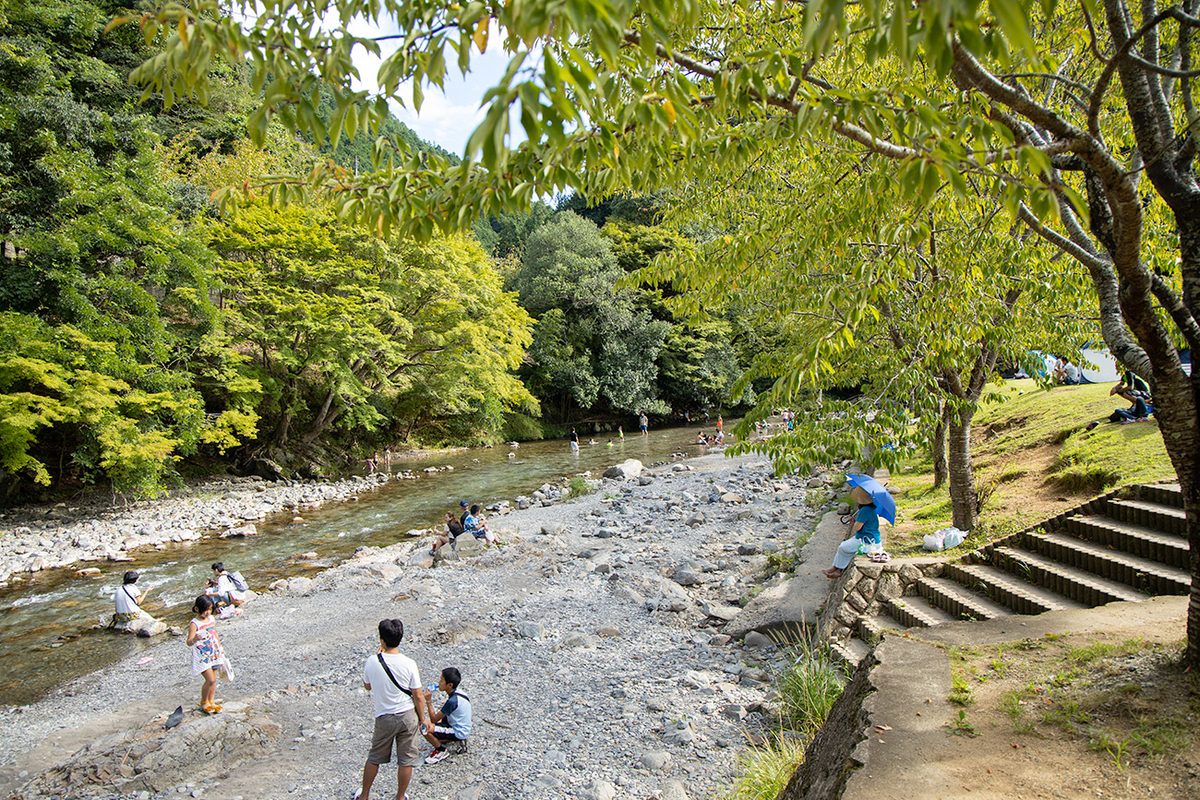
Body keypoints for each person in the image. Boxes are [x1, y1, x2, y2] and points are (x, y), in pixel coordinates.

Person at [359, 619, 430, 800]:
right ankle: (399, 797)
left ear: (382, 640)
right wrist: (423, 719)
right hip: (407, 716)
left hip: (384, 717)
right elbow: (418, 695)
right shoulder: (409, 663)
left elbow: (367, 686)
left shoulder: (372, 661)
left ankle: (365, 795)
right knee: (406, 760)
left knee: (374, 757)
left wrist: (378, 657)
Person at [823, 486, 883, 579]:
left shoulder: (864, 510)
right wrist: (855, 520)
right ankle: (837, 569)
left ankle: (836, 568)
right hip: (870, 538)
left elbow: (857, 528)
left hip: (867, 541)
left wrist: (854, 521)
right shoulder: (870, 508)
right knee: (846, 548)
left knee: (843, 547)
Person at [187, 595, 232, 714]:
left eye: (210, 609)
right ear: (197, 609)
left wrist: (220, 647)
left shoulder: (211, 619)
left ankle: (211, 701)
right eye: (205, 610)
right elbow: (189, 642)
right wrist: (195, 639)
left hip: (214, 652)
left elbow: (215, 633)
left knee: (214, 679)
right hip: (203, 656)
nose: (208, 612)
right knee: (210, 680)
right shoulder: (194, 624)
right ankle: (204, 702)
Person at [420, 667, 473, 764]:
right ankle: (456, 740)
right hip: (464, 727)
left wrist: (428, 701)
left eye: (441, 680)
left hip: (458, 730)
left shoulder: (452, 701)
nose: (439, 683)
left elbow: (434, 720)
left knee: (424, 728)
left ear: (450, 685)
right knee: (441, 722)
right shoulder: (460, 694)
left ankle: (441, 750)